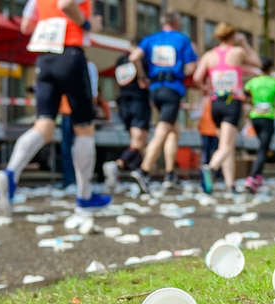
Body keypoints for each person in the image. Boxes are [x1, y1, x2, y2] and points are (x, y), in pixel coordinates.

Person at [0, 0, 111, 216]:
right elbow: (66, 4)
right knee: (84, 128)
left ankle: (10, 173)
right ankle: (85, 196)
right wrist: (85, 24)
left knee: (44, 125)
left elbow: (26, 25)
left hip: (45, 58)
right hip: (70, 53)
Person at [128, 9, 197, 193]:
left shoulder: (151, 39)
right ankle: (144, 169)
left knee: (174, 131)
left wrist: (142, 76)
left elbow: (134, 56)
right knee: (163, 129)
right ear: (176, 22)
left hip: (155, 90)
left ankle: (170, 173)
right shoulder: (182, 39)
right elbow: (190, 69)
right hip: (172, 89)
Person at [193, 22, 261, 195]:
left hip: (215, 103)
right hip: (232, 101)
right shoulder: (237, 52)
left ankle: (230, 185)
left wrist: (205, 88)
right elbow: (257, 62)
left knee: (227, 145)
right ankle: (211, 168)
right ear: (233, 36)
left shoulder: (209, 55)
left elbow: (196, 77)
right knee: (225, 145)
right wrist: (244, 43)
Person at [102, 39, 151, 191]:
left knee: (135, 140)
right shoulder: (142, 59)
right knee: (139, 141)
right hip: (138, 101)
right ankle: (118, 165)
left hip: (123, 102)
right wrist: (142, 75)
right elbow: (144, 81)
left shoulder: (120, 60)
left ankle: (137, 174)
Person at [243, 57, 275, 193]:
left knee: (263, 146)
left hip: (254, 117)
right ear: (271, 68)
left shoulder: (252, 82)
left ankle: (258, 176)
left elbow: (245, 95)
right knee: (263, 149)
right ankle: (252, 177)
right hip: (268, 118)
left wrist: (251, 104)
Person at [58, 60, 99, 188]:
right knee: (75, 146)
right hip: (72, 110)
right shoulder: (88, 66)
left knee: (71, 146)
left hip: (76, 110)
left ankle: (77, 180)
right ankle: (76, 181)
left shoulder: (86, 66)